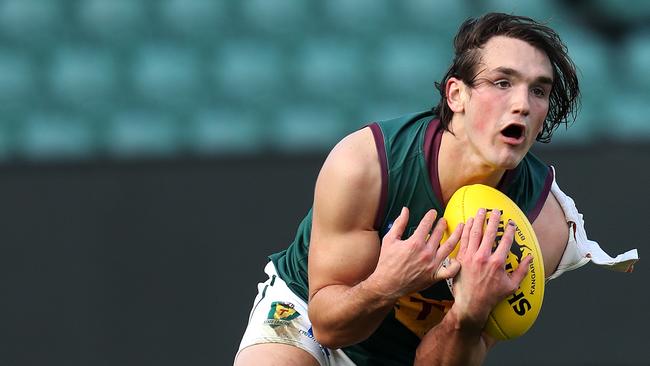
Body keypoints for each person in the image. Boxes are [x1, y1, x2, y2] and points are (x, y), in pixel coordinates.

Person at [234, 13, 638, 366]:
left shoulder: (541, 228)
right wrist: (387, 283)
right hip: (304, 310)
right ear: (456, 94)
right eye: (502, 82)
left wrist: (470, 312)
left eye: (539, 90)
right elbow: (328, 327)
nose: (522, 104)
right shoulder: (367, 164)